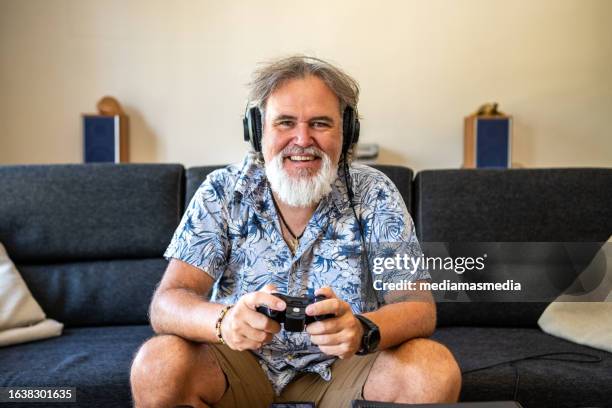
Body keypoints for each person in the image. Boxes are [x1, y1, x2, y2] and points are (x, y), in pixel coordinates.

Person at [130, 55, 461, 408]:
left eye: (320, 123)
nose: (302, 140)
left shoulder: (374, 193)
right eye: (285, 122)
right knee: (157, 363)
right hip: (237, 366)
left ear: (346, 132)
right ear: (258, 131)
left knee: (433, 369)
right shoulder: (223, 191)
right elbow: (167, 302)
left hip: (346, 368)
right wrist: (223, 321)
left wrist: (362, 330)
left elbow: (418, 307)